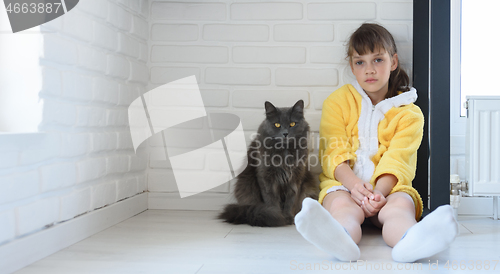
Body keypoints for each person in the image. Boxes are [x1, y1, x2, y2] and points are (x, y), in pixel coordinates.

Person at [294, 23, 458, 263]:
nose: (369, 70)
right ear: (352, 66)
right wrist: (355, 188)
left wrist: (377, 195)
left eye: (378, 60)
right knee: (341, 207)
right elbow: (333, 152)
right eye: (360, 62)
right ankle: (343, 240)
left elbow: (399, 160)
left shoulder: (409, 113)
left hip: (389, 190)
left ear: (393, 62)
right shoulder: (337, 103)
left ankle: (410, 241)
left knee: (399, 209)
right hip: (344, 185)